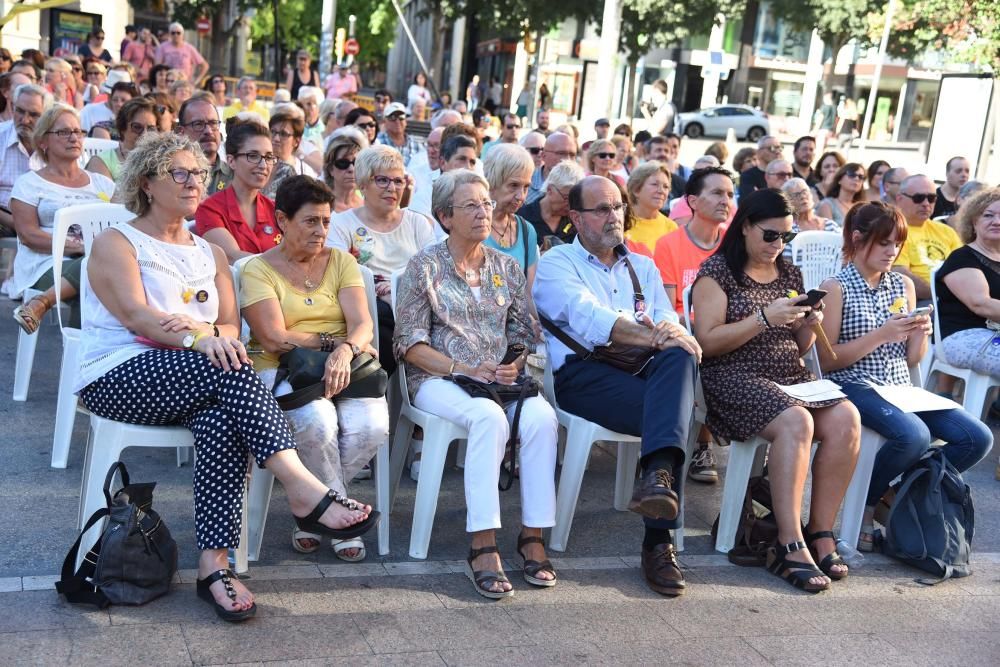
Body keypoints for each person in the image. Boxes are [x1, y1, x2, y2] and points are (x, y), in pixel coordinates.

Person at [77, 131, 378, 623]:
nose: (193, 181)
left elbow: (230, 326)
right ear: (148, 183)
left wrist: (205, 333)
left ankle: (213, 565)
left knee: (221, 417)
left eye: (198, 172)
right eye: (179, 173)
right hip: (119, 373)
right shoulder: (118, 242)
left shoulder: (210, 253)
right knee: (226, 363)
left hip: (200, 376)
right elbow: (137, 316)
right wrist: (199, 337)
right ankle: (304, 489)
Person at [394, 168, 557, 597]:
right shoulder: (424, 266)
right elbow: (408, 343)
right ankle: (482, 543)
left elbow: (523, 334)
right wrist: (462, 369)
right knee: (489, 418)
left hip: (496, 379)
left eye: (486, 203)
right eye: (471, 205)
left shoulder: (505, 266)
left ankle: (532, 534)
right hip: (437, 376)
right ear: (445, 216)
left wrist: (512, 364)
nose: (484, 211)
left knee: (542, 418)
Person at [534, 175, 699, 595]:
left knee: (677, 357)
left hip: (641, 371)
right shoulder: (557, 264)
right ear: (575, 217)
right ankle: (658, 542)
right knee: (673, 410)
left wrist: (667, 335)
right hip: (582, 374)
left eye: (618, 207)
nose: (614, 217)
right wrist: (657, 336)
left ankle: (658, 479)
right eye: (602, 209)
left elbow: (669, 319)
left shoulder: (641, 265)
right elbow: (589, 318)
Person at [692, 188, 860, 592]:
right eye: (770, 235)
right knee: (796, 421)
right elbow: (708, 342)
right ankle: (789, 540)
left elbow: (799, 347)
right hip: (732, 376)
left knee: (847, 419)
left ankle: (820, 531)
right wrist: (764, 318)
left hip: (788, 374)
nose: (777, 245)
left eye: (785, 236)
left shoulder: (788, 272)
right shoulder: (717, 272)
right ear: (746, 226)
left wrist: (805, 322)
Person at [818, 201, 992, 551]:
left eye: (897, 243)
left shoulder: (901, 285)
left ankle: (897, 493)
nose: (892, 251)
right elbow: (827, 360)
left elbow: (914, 358)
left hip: (899, 387)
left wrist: (920, 333)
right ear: (857, 238)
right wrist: (881, 334)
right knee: (913, 435)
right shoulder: (836, 286)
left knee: (977, 438)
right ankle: (868, 505)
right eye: (884, 243)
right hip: (854, 382)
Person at [241, 175, 389, 560]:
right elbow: (273, 337)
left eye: (326, 221)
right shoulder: (259, 269)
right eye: (310, 221)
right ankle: (337, 514)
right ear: (282, 220)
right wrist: (332, 341)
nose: (321, 230)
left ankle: (312, 512)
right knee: (317, 423)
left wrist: (345, 351)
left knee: (372, 425)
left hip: (346, 368)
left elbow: (362, 323)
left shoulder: (340, 260)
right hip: (286, 370)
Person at [326, 145, 436, 375]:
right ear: (363, 184)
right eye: (382, 180)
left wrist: (396, 292)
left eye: (398, 181)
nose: (392, 188)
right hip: (368, 307)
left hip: (415, 304)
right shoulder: (340, 223)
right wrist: (379, 291)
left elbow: (433, 271)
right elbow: (340, 272)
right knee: (378, 314)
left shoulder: (417, 223)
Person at [10, 104, 115, 333]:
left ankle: (42, 306)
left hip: (99, 260)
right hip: (45, 262)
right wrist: (77, 247)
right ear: (43, 142)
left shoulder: (102, 184)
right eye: (63, 132)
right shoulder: (29, 184)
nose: (73, 138)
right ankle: (84, 363)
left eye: (77, 131)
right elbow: (28, 236)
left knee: (97, 279)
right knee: (92, 278)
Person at [194, 119, 279, 263]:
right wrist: (285, 263)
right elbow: (233, 257)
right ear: (231, 161)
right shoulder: (210, 209)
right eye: (253, 156)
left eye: (269, 157)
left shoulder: (276, 209)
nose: (263, 165)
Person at [893, 174, 963, 300]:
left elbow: (964, 268)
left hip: (953, 298)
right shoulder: (893, 230)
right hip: (917, 301)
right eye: (918, 198)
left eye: (931, 198)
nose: (926, 204)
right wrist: (941, 296)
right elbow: (900, 275)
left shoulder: (946, 231)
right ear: (899, 199)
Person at [483, 143, 538, 279]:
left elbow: (529, 294)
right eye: (514, 185)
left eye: (526, 187)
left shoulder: (526, 231)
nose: (521, 196)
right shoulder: (471, 225)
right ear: (491, 181)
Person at [0, 83, 48, 237]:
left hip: (47, 220)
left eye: (33, 115)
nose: (25, 120)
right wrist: (17, 224)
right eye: (20, 111)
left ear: (46, 116)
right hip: (5, 219)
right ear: (12, 107)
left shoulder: (56, 142)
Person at [86, 97, 159, 181]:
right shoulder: (101, 162)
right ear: (122, 128)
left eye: (151, 128)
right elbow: (104, 194)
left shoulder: (160, 160)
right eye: (137, 127)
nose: (145, 134)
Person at [175, 92, 232, 196]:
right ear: (181, 132)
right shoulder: (170, 176)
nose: (208, 131)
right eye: (198, 124)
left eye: (213, 123)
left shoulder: (235, 176)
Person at [516, 160, 583, 247]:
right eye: (567, 198)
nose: (571, 205)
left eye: (575, 200)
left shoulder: (576, 221)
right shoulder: (522, 218)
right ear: (549, 189)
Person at [623, 162, 677, 257]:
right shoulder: (620, 222)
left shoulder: (671, 227)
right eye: (655, 184)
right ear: (636, 190)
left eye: (666, 187)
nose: (661, 191)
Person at [267, 105, 320, 190]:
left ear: (296, 141)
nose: (276, 138)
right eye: (273, 132)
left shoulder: (304, 172)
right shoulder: (260, 165)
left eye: (283, 134)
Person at [321, 126, 368, 212]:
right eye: (343, 163)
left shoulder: (368, 203)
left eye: (357, 163)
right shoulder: (321, 206)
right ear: (330, 169)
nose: (351, 169)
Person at [781, 177, 841, 242]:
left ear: (811, 194)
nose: (803, 197)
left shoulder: (830, 225)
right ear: (788, 203)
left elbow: (842, 248)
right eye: (796, 195)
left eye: (804, 192)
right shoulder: (789, 230)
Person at [525, 131, 576, 204]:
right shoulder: (526, 183)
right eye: (561, 153)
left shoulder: (580, 188)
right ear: (543, 155)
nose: (568, 159)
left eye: (572, 155)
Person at [375, 102, 422, 167]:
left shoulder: (419, 145)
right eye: (392, 117)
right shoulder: (377, 143)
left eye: (401, 117)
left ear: (405, 121)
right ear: (384, 121)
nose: (397, 121)